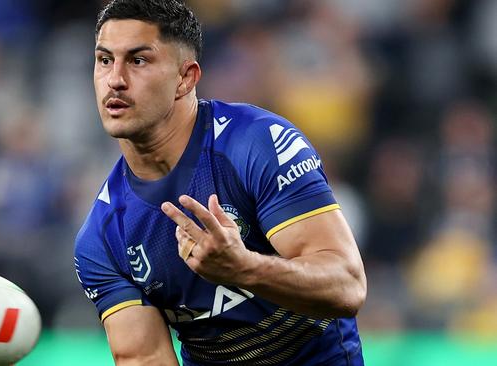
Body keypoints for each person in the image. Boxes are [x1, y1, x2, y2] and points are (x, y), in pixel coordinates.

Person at [74, 1, 367, 365]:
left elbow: (347, 285)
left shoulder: (258, 144)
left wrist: (245, 267)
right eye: (105, 60)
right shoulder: (102, 238)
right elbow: (145, 358)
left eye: (138, 60)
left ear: (186, 78)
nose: (115, 79)